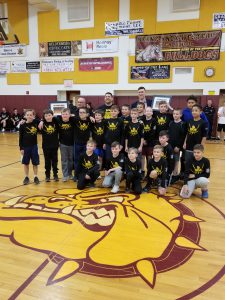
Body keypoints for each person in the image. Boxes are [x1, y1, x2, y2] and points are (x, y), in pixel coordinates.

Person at [19, 109, 40, 185]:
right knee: (26, 163)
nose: (29, 116)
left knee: (35, 163)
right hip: (25, 147)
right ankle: (26, 177)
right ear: (25, 116)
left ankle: (35, 176)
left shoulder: (35, 122)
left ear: (33, 116)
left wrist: (39, 121)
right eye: (27, 115)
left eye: (31, 115)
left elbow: (40, 121)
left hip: (34, 146)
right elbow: (20, 138)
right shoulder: (22, 125)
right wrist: (21, 148)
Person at [73, 107, 92, 181]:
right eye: (80, 112)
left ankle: (85, 175)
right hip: (77, 143)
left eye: (83, 112)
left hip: (86, 144)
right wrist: (42, 120)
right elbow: (60, 117)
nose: (81, 114)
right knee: (77, 160)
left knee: (86, 160)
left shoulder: (90, 121)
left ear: (87, 114)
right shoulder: (75, 120)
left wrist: (91, 117)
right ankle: (76, 175)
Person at [40, 109, 59, 182]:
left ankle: (55, 174)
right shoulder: (42, 123)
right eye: (46, 116)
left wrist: (42, 119)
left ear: (52, 115)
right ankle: (47, 175)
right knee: (47, 161)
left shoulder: (56, 122)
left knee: (55, 161)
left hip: (55, 145)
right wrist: (41, 120)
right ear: (44, 117)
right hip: (46, 146)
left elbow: (58, 117)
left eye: (49, 115)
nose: (48, 117)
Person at [125, 108, 144, 176]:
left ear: (138, 115)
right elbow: (126, 137)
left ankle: (139, 174)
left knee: (138, 160)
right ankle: (129, 174)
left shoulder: (140, 124)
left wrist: (141, 146)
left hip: (137, 145)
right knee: (130, 160)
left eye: (135, 114)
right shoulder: (128, 124)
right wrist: (126, 146)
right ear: (130, 114)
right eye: (132, 114)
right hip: (130, 145)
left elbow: (142, 137)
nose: (133, 115)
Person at [57, 108, 74, 182]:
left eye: (66, 114)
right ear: (61, 115)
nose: (65, 115)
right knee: (64, 160)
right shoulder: (58, 120)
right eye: (63, 114)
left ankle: (70, 174)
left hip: (72, 144)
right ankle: (65, 175)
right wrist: (42, 121)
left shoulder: (73, 120)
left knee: (71, 160)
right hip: (63, 144)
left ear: (69, 115)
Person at [168, 109, 186, 182]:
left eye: (177, 114)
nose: (175, 115)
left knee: (176, 160)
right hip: (170, 146)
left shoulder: (182, 124)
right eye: (174, 114)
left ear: (181, 115)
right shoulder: (171, 123)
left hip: (177, 147)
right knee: (170, 160)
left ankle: (175, 175)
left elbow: (183, 137)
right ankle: (169, 174)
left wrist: (178, 146)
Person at [142, 106, 156, 173]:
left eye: (150, 111)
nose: (148, 112)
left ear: (152, 113)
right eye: (147, 111)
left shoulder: (154, 120)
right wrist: (143, 140)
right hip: (142, 142)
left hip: (150, 142)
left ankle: (149, 172)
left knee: (149, 158)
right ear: (144, 112)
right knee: (142, 157)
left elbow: (153, 133)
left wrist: (146, 140)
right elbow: (140, 131)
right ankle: (142, 171)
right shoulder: (142, 120)